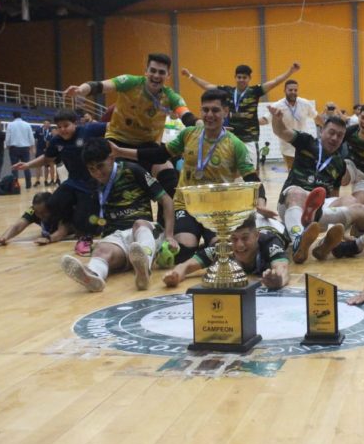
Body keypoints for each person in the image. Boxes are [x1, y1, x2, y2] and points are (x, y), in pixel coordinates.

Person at [110, 89, 270, 266]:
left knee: (222, 252)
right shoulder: (189, 134)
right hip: (186, 205)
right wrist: (120, 151)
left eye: (215, 110)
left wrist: (261, 204)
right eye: (205, 110)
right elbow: (159, 154)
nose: (209, 115)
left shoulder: (235, 144)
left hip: (216, 210)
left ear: (225, 112)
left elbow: (253, 179)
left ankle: (189, 245)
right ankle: (159, 236)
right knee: (183, 253)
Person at [64, 53, 195, 201]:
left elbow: (185, 114)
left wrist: (198, 123)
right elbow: (101, 85)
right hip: (116, 141)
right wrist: (81, 90)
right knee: (107, 176)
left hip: (146, 147)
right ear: (146, 71)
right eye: (152, 70)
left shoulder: (170, 96)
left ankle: (164, 221)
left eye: (161, 72)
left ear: (168, 75)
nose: (156, 75)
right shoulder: (130, 82)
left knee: (169, 177)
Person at [60, 138, 176, 292]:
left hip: (145, 232)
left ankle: (144, 266)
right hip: (117, 238)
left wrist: (169, 235)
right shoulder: (93, 183)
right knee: (101, 250)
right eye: (91, 169)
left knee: (139, 225)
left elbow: (167, 200)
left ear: (111, 157)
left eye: (100, 166)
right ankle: (93, 276)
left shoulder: (133, 170)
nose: (97, 173)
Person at [12, 109, 105, 256]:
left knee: (84, 219)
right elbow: (47, 158)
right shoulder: (56, 141)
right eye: (59, 127)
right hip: (73, 181)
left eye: (66, 125)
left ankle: (87, 232)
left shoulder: (88, 130)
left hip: (91, 183)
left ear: (75, 123)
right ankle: (67, 225)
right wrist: (27, 165)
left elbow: (114, 126)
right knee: (53, 203)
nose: (62, 129)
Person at [266, 101, 348, 263]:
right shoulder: (306, 141)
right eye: (331, 132)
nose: (334, 138)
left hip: (316, 213)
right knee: (298, 192)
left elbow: (334, 196)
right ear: (322, 130)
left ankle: (324, 245)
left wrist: (342, 224)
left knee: (348, 201)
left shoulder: (340, 163)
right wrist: (277, 119)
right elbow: (281, 131)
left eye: (340, 136)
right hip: (291, 202)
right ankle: (298, 240)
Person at [181, 62, 300, 166]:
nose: (241, 79)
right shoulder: (227, 91)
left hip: (250, 139)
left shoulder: (255, 92)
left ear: (249, 79)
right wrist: (191, 76)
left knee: (252, 171)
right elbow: (207, 86)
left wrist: (290, 71)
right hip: (230, 138)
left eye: (244, 77)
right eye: (239, 77)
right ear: (235, 77)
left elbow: (275, 82)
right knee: (230, 170)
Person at [163, 213, 290, 290]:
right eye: (234, 239)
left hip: (274, 225)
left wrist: (279, 280)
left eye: (245, 238)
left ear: (256, 236)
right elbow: (186, 265)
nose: (239, 245)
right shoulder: (224, 246)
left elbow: (282, 269)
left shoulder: (270, 242)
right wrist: (175, 276)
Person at [265, 80, 318, 168]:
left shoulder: (305, 103)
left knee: (307, 172)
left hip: (304, 145)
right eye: (290, 90)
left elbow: (316, 116)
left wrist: (325, 126)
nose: (293, 92)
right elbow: (265, 119)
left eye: (295, 90)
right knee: (292, 173)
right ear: (285, 90)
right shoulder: (277, 105)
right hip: (287, 148)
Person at [0, 192, 71, 245]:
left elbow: (62, 232)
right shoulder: (33, 210)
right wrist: (5, 237)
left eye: (43, 212)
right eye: (37, 212)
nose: (40, 215)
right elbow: (18, 226)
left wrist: (48, 239)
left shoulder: (60, 209)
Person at [5, 111, 35, 189]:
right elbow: (31, 137)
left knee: (14, 167)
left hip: (14, 148)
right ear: (21, 116)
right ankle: (28, 184)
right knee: (26, 166)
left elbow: (8, 137)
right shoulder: (27, 124)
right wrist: (32, 146)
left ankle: (15, 185)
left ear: (13, 116)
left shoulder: (10, 125)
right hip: (25, 148)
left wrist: (7, 145)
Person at [33, 120, 53, 187]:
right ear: (43, 124)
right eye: (46, 123)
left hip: (48, 150)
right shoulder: (38, 130)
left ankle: (46, 180)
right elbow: (35, 139)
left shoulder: (51, 131)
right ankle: (37, 180)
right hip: (39, 150)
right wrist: (35, 148)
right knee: (38, 166)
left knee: (46, 166)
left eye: (48, 124)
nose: (47, 125)